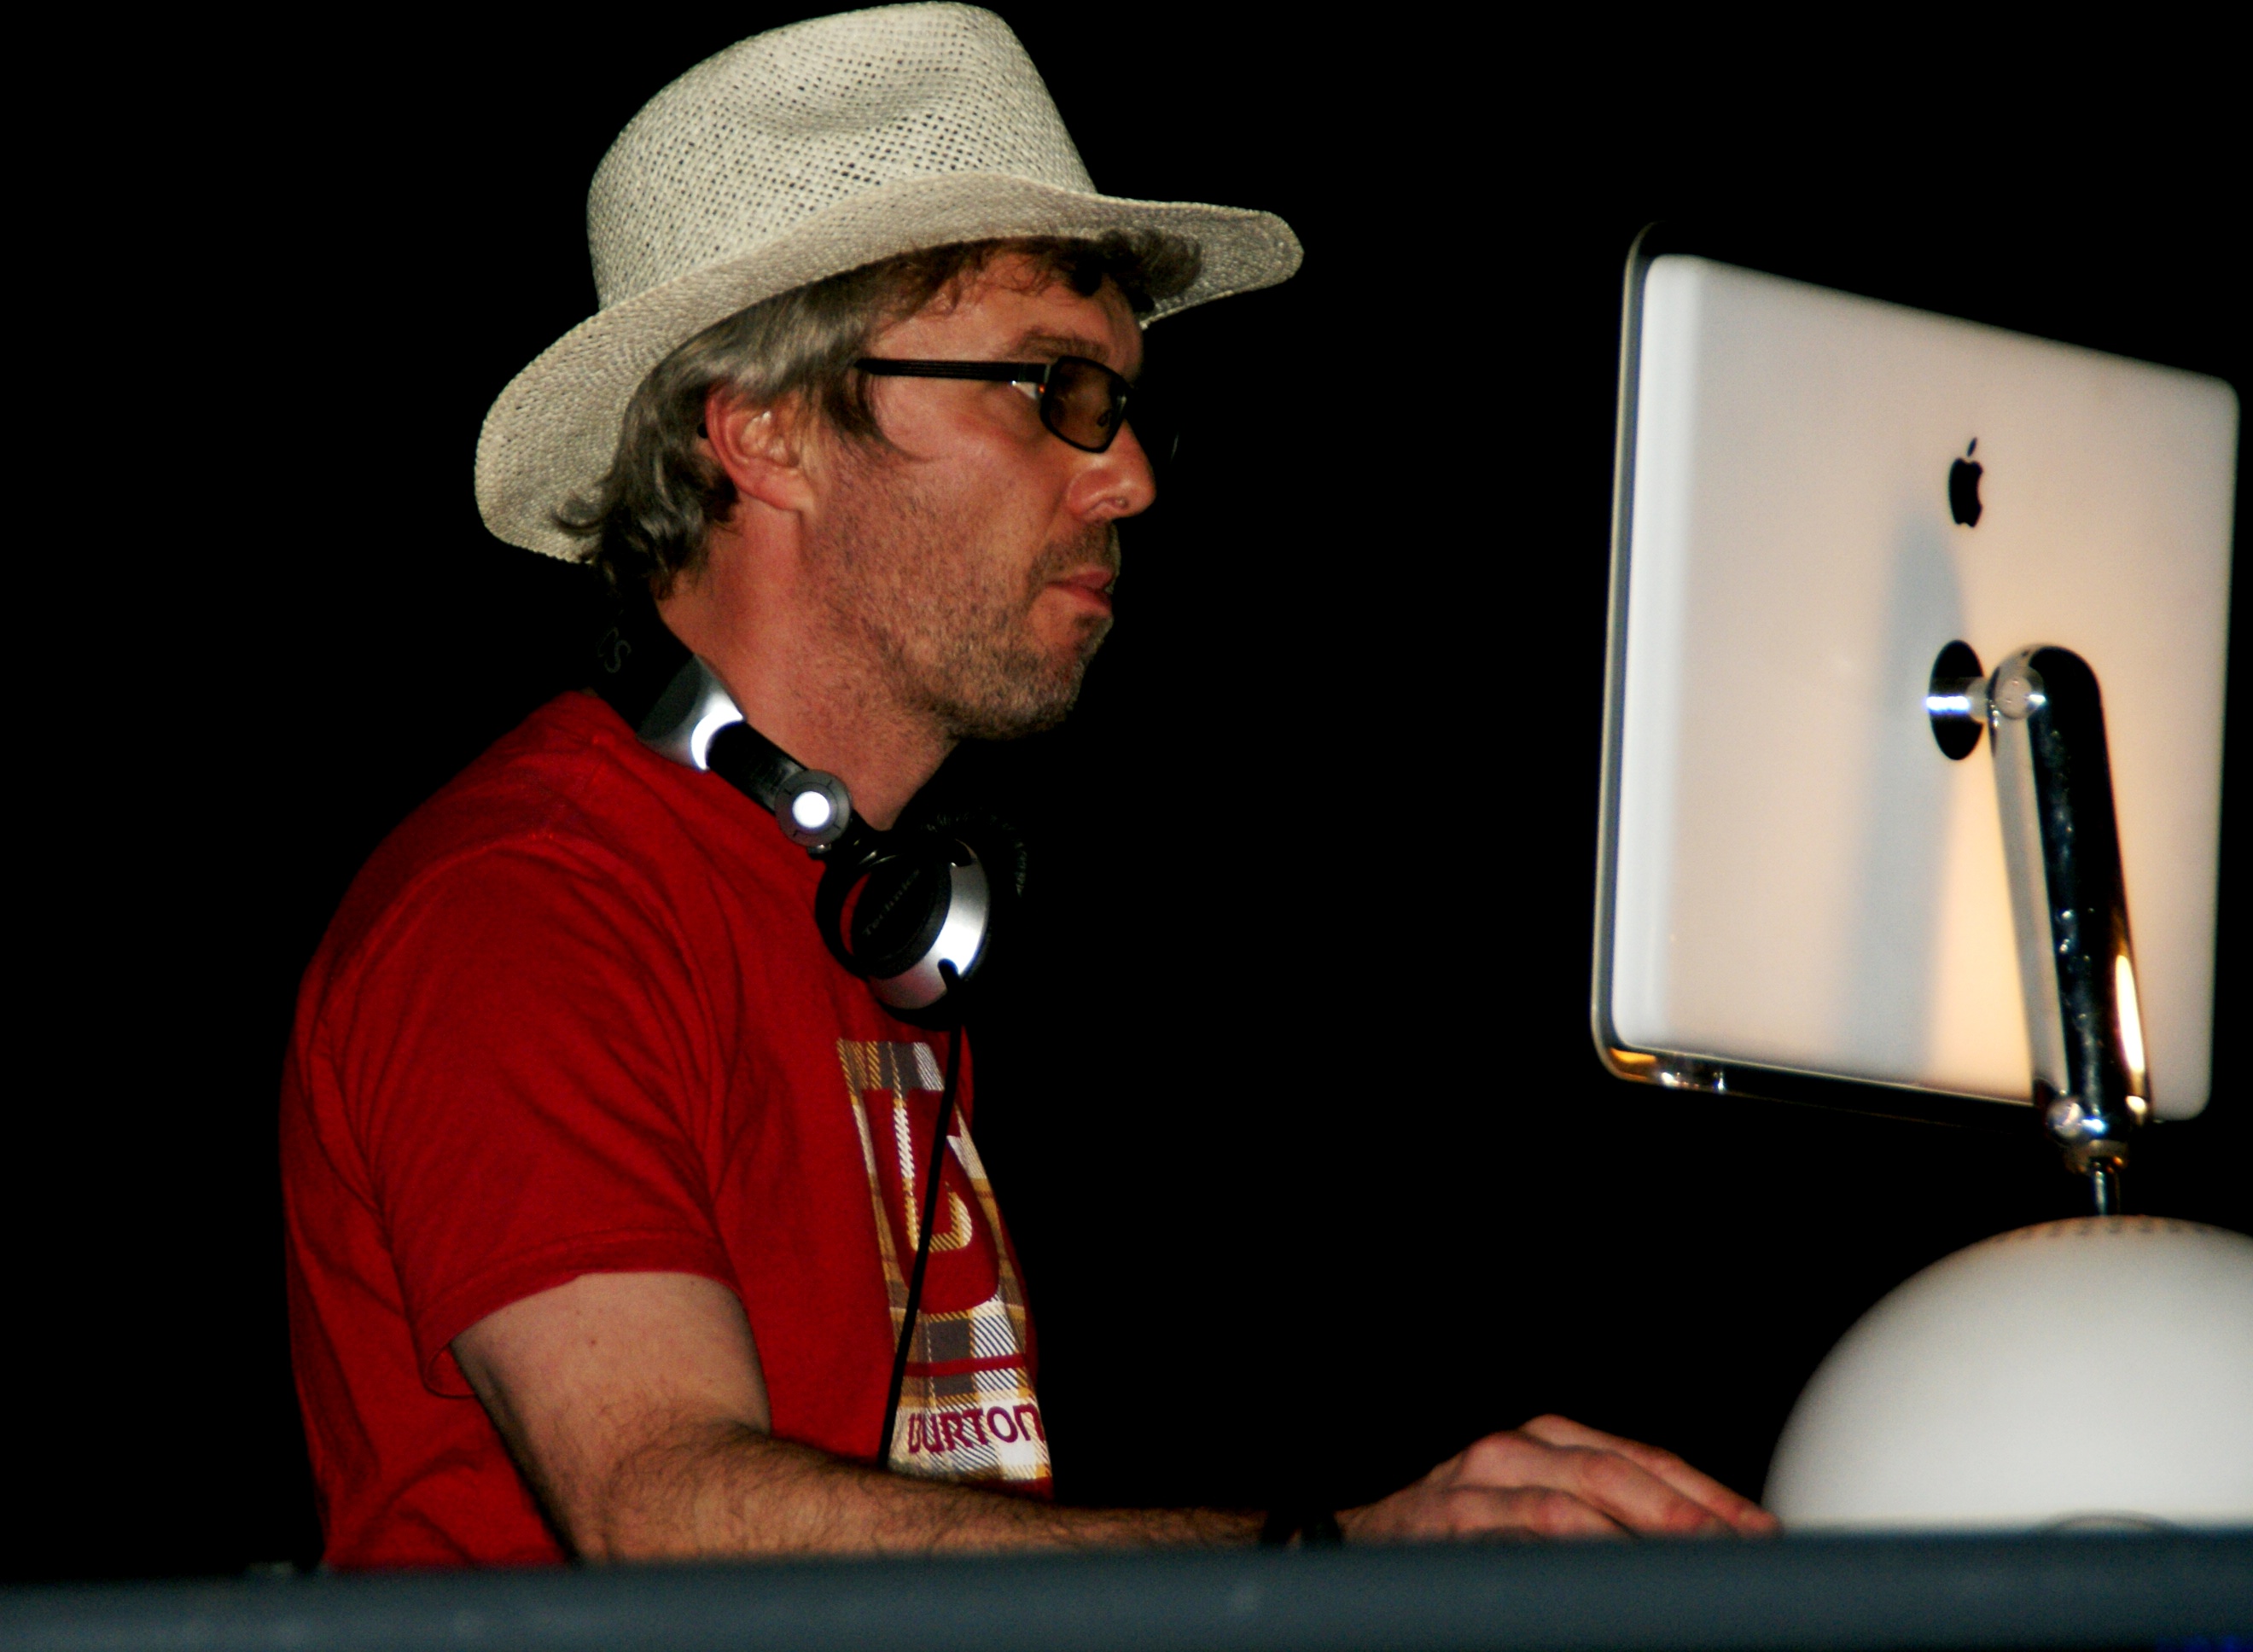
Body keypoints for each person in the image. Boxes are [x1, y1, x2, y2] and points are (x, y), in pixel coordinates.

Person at [280, 3, 1779, 1567]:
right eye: (1049, 388)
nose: (1127, 475)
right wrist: (1329, 1562)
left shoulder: (872, 920)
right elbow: (666, 1513)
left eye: (1122, 405)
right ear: (768, 432)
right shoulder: (520, 911)